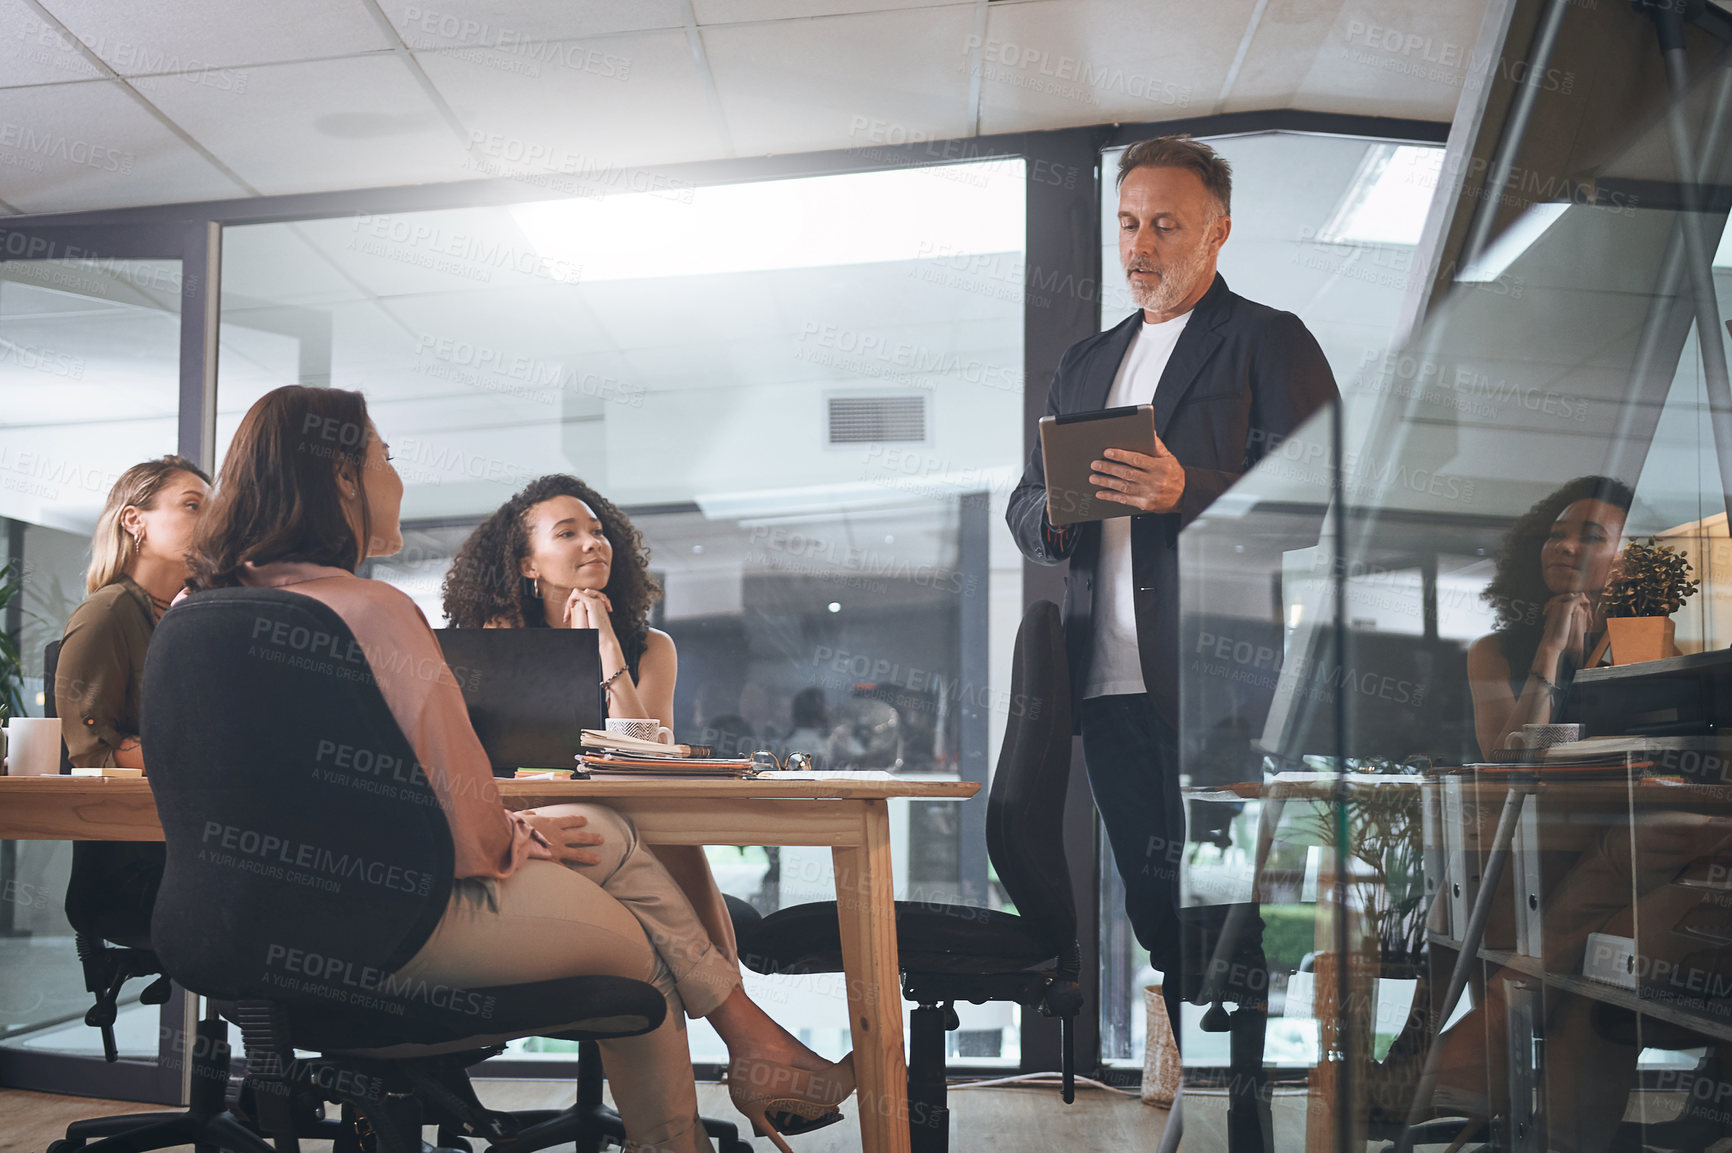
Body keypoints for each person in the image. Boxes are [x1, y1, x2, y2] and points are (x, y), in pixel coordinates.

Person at [185, 389, 849, 1153]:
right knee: (642, 950)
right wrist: (513, 831)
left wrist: (504, 822)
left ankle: (756, 1049)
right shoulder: (372, 612)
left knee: (599, 830)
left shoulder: (195, 611)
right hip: (385, 929)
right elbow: (464, 827)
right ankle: (721, 1091)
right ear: (341, 478)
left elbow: (350, 792)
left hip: (250, 933)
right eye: (386, 459)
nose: (398, 479)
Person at [1006, 135, 1339, 1041]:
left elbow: (1314, 500)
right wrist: (1057, 520)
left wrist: (1185, 489)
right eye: (1127, 223)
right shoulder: (1086, 361)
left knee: (1232, 898)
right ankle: (1205, 1069)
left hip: (1214, 676)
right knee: (1158, 906)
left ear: (1217, 231)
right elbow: (1023, 500)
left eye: (1164, 224)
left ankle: (1254, 1080)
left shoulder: (1268, 339)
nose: (1140, 246)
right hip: (1105, 675)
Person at [438, 471, 851, 1146]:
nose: (591, 542)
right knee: (643, 850)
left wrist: (603, 649)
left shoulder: (648, 647)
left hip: (617, 840)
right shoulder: (489, 644)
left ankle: (739, 1062)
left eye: (598, 529)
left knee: (654, 841)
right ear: (525, 561)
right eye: (566, 531)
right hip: (534, 844)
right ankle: (751, 1049)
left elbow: (644, 757)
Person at [57, 455, 210, 769]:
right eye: (193, 506)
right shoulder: (104, 614)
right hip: (132, 811)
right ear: (133, 520)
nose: (212, 523)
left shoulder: (203, 616)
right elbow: (92, 750)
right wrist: (209, 761)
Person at [1467, 475, 1634, 759]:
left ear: (1626, 557)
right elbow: (1508, 760)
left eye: (1592, 537)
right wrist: (1550, 651)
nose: (1564, 546)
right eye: (1556, 534)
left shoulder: (1641, 643)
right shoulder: (1493, 651)